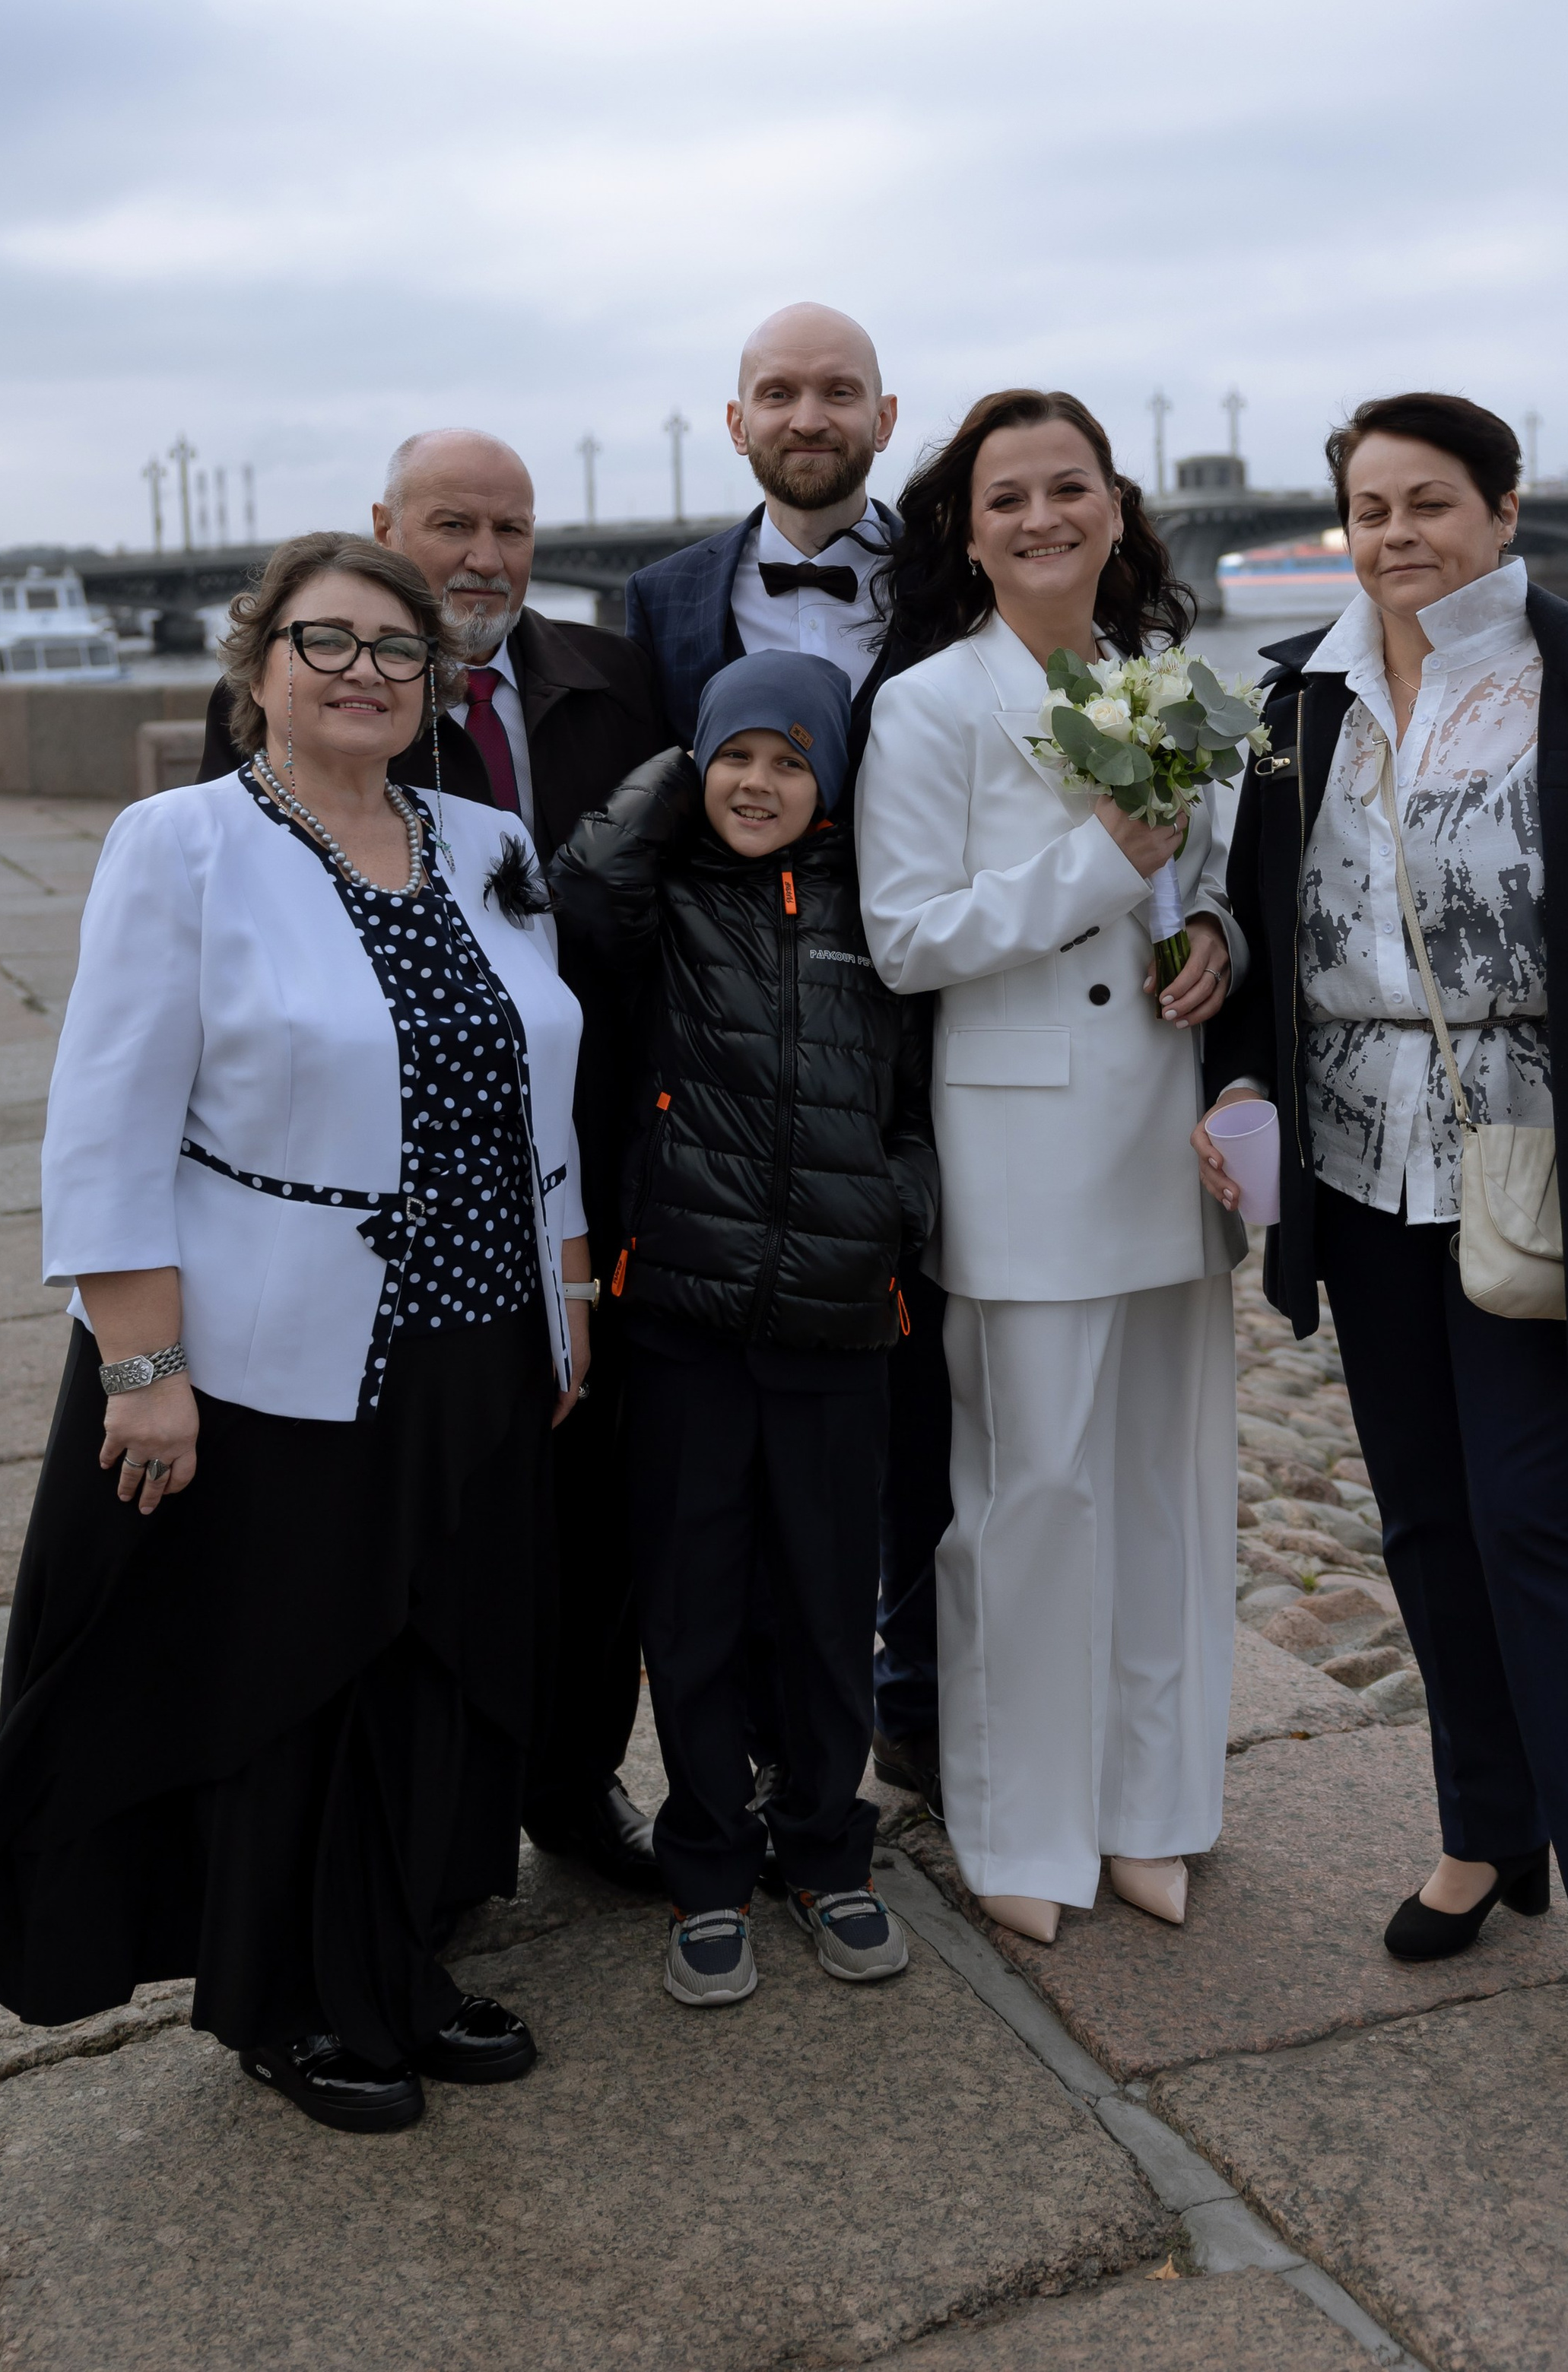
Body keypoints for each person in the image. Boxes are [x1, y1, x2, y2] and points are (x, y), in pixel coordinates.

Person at [0, 532, 592, 2134]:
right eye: (326, 641)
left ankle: (399, 1962)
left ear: (434, 684)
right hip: (278, 1340)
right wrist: (140, 1369)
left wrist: (569, 1300)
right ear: (256, 669)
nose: (363, 670)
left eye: (394, 649)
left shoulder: (488, 839)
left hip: (480, 1337)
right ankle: (284, 1999)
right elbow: (106, 1122)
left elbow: (539, 1083)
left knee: (435, 1659)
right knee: (294, 1668)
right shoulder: (185, 843)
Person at [1198, 390, 1568, 2078]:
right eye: (1368, 506)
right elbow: (1254, 925)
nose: (1394, 535)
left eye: (1428, 502)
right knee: (1424, 1524)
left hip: (1534, 1171)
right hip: (1358, 1169)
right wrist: (1233, 1084)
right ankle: (1482, 1829)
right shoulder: (1295, 696)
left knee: (1535, 1526)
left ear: (1502, 509)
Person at [196, 431, 668, 1894]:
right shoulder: (288, 725)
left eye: (512, 526)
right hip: (382, 1204)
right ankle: (415, 1848)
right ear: (387, 526)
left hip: (584, 1161)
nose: (484, 554)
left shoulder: (615, 679)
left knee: (585, 1514)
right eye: (451, 523)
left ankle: (570, 1783)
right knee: (416, 1541)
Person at [855, 390, 1245, 1947]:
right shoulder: (930, 702)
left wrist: (1207, 931)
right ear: (964, 528)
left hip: (1166, 1133)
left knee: (1162, 1489)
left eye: (1065, 488)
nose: (1039, 519)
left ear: (1111, 504)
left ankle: (1153, 1806)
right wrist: (1099, 863)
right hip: (1019, 1141)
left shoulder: (1164, 682)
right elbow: (903, 937)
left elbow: (1200, 873)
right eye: (1004, 496)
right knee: (1025, 1497)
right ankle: (1020, 1823)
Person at [551, 653, 938, 2006]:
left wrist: (897, 1211)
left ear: (837, 776)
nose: (761, 784)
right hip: (684, 1322)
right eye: (736, 757)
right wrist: (676, 764)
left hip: (840, 1325)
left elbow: (910, 1104)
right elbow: (582, 887)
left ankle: (830, 1849)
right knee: (695, 1609)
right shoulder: (662, 903)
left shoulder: (875, 908)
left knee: (829, 1611)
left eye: (793, 758)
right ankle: (707, 1861)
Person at [625, 303, 953, 1815]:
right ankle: (742, 1763)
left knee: (929, 1421)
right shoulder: (660, 603)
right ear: (735, 416)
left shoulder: (957, 582)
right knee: (740, 1463)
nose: (805, 413)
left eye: (837, 391)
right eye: (778, 390)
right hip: (741, 1075)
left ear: (884, 419)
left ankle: (918, 1717)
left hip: (943, 1039)